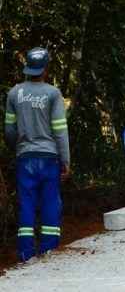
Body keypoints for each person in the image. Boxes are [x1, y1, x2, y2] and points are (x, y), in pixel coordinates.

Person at [4, 47, 70, 262]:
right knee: (50, 200)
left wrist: (20, 148)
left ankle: (25, 252)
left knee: (27, 202)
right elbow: (60, 130)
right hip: (49, 157)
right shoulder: (53, 93)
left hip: (25, 157)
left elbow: (10, 131)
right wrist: (65, 160)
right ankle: (49, 250)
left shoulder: (14, 93)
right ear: (45, 69)